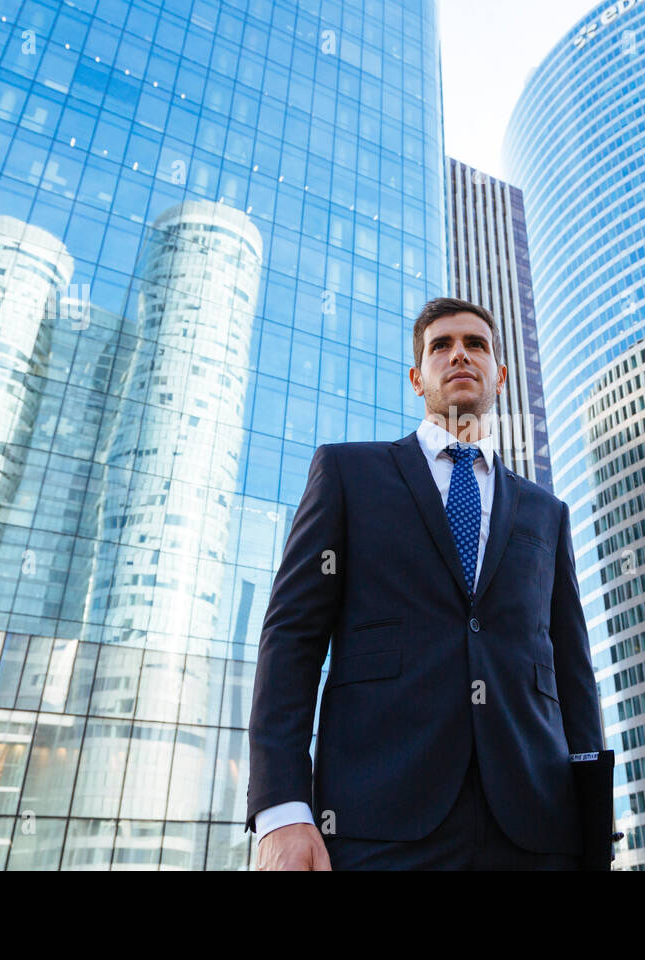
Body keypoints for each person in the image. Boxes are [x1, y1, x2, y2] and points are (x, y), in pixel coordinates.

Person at [246, 297, 604, 870]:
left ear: (500, 375)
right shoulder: (347, 473)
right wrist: (282, 808)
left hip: (539, 829)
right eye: (442, 345)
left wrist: (594, 816)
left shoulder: (548, 512)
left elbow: (572, 671)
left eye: (476, 344)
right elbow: (292, 638)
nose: (460, 354)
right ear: (417, 377)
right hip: (378, 825)